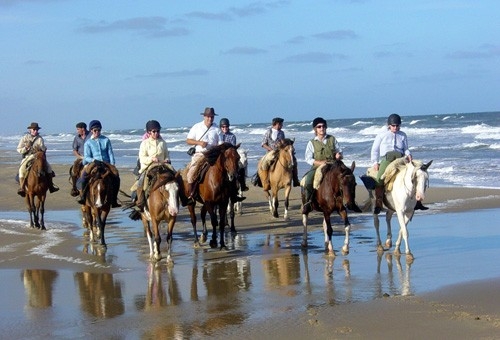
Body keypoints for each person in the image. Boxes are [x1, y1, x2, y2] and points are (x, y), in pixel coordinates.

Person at [370, 113, 428, 214]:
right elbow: (375, 150)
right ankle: (378, 203)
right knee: (379, 179)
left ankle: (417, 202)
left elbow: (406, 149)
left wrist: (408, 154)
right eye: (393, 125)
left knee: (416, 174)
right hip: (387, 159)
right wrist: (375, 162)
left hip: (401, 158)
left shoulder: (403, 135)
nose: (395, 127)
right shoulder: (381, 135)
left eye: (397, 125)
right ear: (389, 125)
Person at [185, 107, 244, 205]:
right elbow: (188, 140)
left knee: (231, 171)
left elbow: (220, 144)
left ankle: (233, 194)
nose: (210, 119)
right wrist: (199, 142)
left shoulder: (217, 129)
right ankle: (191, 195)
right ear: (204, 116)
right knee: (191, 174)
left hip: (214, 155)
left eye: (212, 117)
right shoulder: (197, 127)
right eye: (208, 116)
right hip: (200, 154)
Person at [301, 117, 343, 214]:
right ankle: (307, 203)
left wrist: (339, 155)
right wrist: (320, 163)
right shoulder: (311, 143)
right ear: (315, 129)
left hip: (333, 165)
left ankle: (349, 201)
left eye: (323, 126)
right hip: (318, 166)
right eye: (319, 127)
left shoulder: (332, 139)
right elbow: (308, 158)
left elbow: (340, 151)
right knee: (308, 181)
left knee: (347, 177)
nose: (322, 128)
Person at [76, 120, 121, 208]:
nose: (97, 132)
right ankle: (83, 197)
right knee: (84, 176)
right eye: (95, 130)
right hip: (93, 163)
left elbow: (110, 153)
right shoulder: (88, 143)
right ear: (91, 131)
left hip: (106, 163)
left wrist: (112, 164)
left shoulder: (106, 140)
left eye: (99, 130)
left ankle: (114, 199)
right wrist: (93, 160)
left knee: (116, 176)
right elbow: (86, 157)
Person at [133, 120, 171, 211]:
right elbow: (142, 158)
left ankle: (182, 197)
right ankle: (139, 201)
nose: (156, 133)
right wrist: (151, 159)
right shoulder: (144, 143)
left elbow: (166, 154)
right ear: (149, 132)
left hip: (163, 165)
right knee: (141, 182)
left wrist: (167, 159)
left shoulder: (163, 142)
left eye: (158, 131)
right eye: (154, 131)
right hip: (149, 166)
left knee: (175, 178)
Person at [16, 122, 59, 196]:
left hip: (38, 156)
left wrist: (42, 148)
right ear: (30, 130)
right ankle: (22, 187)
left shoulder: (40, 138)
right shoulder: (25, 138)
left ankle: (51, 186)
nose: (36, 131)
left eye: (37, 129)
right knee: (21, 169)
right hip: (28, 157)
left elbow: (43, 148)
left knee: (49, 168)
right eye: (34, 129)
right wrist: (26, 148)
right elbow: (19, 149)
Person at [259, 117, 300, 190]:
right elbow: (263, 144)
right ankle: (266, 182)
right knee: (265, 163)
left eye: (281, 124)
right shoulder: (268, 132)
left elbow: (283, 144)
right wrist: (271, 149)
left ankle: (295, 179)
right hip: (270, 152)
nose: (281, 125)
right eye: (280, 124)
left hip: (280, 151)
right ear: (276, 124)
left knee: (293, 160)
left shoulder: (282, 133)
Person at [219, 117, 248, 191]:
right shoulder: (218, 135)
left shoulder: (232, 136)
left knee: (240, 167)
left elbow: (232, 148)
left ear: (228, 127)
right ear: (221, 127)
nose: (225, 128)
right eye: (223, 127)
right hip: (220, 155)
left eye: (226, 126)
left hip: (229, 156)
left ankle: (242, 185)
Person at [70, 122, 90, 196]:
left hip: (91, 157)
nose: (77, 131)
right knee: (73, 170)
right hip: (81, 157)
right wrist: (79, 157)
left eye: (78, 129)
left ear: (83, 129)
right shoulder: (77, 137)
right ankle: (74, 188)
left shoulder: (91, 135)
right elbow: (74, 150)